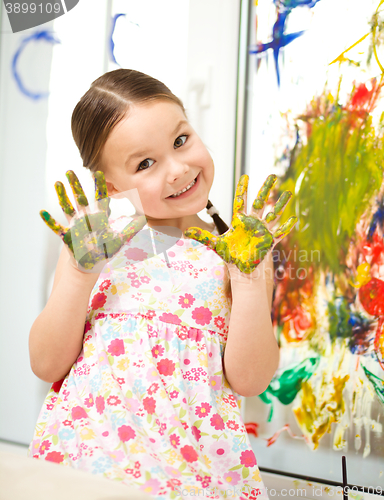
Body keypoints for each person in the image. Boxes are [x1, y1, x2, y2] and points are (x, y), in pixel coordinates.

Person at [28, 69, 296, 500]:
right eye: (146, 163)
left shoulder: (238, 253)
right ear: (113, 185)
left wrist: (248, 281)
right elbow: (45, 364)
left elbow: (250, 379)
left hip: (199, 474)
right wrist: (81, 274)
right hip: (90, 462)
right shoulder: (94, 249)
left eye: (180, 140)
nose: (178, 168)